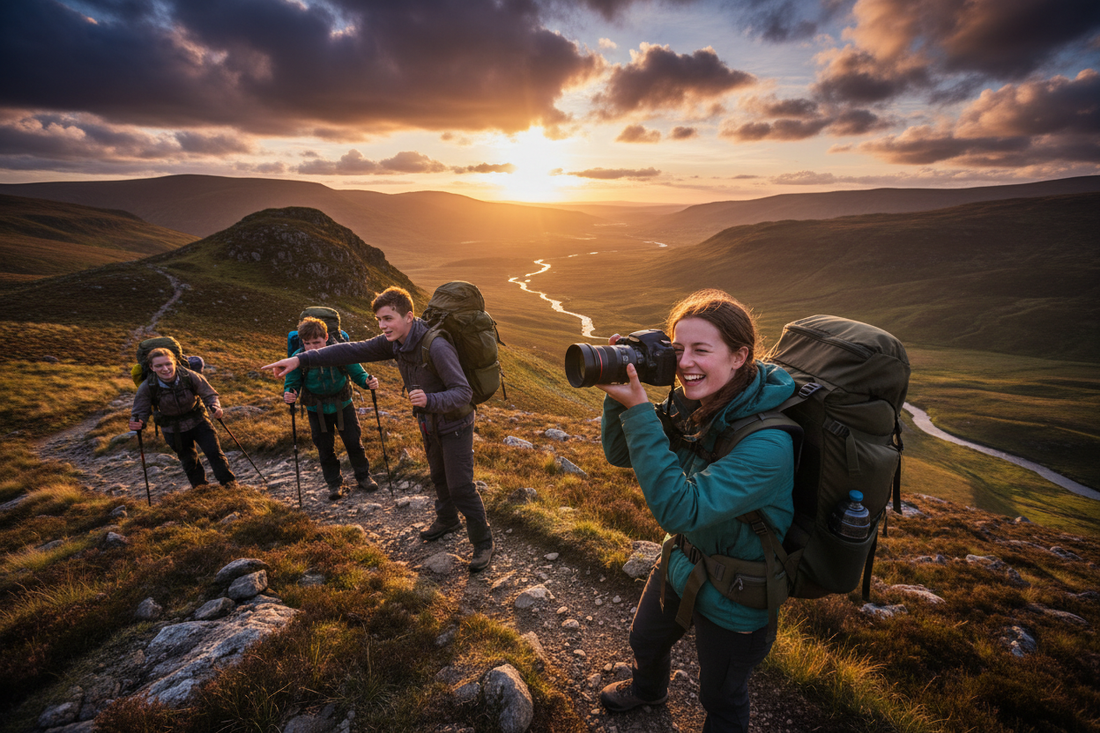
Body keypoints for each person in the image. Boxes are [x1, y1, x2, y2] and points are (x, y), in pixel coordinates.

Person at [596, 289, 796, 733]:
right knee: (644, 639)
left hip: (738, 591)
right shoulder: (700, 404)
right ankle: (649, 690)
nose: (685, 362)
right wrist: (618, 396)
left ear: (740, 356)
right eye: (677, 349)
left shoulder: (769, 444)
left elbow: (679, 509)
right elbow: (620, 453)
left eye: (701, 350)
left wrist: (640, 410)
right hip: (682, 560)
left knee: (721, 696)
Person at [263, 286, 494, 572]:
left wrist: (430, 400)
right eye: (379, 320)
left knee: (460, 486)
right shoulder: (395, 342)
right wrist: (299, 359)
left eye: (388, 318)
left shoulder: (436, 346)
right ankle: (448, 520)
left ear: (408, 316)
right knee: (438, 475)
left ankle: (483, 542)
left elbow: (463, 392)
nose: (383, 326)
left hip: (456, 423)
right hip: (429, 422)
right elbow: (350, 350)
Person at [284, 316, 381, 500]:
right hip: (316, 409)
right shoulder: (297, 358)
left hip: (343, 405)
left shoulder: (340, 352)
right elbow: (292, 382)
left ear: (326, 337)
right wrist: (289, 393)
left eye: (316, 342)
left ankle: (363, 476)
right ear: (302, 342)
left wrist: (368, 382)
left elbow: (358, 373)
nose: (312, 348)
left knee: (353, 442)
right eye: (307, 343)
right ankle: (334, 484)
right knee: (324, 448)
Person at [129, 347, 236, 488]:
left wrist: (215, 406)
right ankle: (200, 489)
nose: (165, 369)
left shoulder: (189, 376)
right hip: (172, 429)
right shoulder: (147, 386)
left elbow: (209, 394)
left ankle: (229, 484)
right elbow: (140, 410)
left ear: (175, 363)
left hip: (199, 421)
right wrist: (138, 422)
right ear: (151, 367)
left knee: (214, 453)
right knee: (189, 460)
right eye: (159, 366)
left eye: (168, 364)